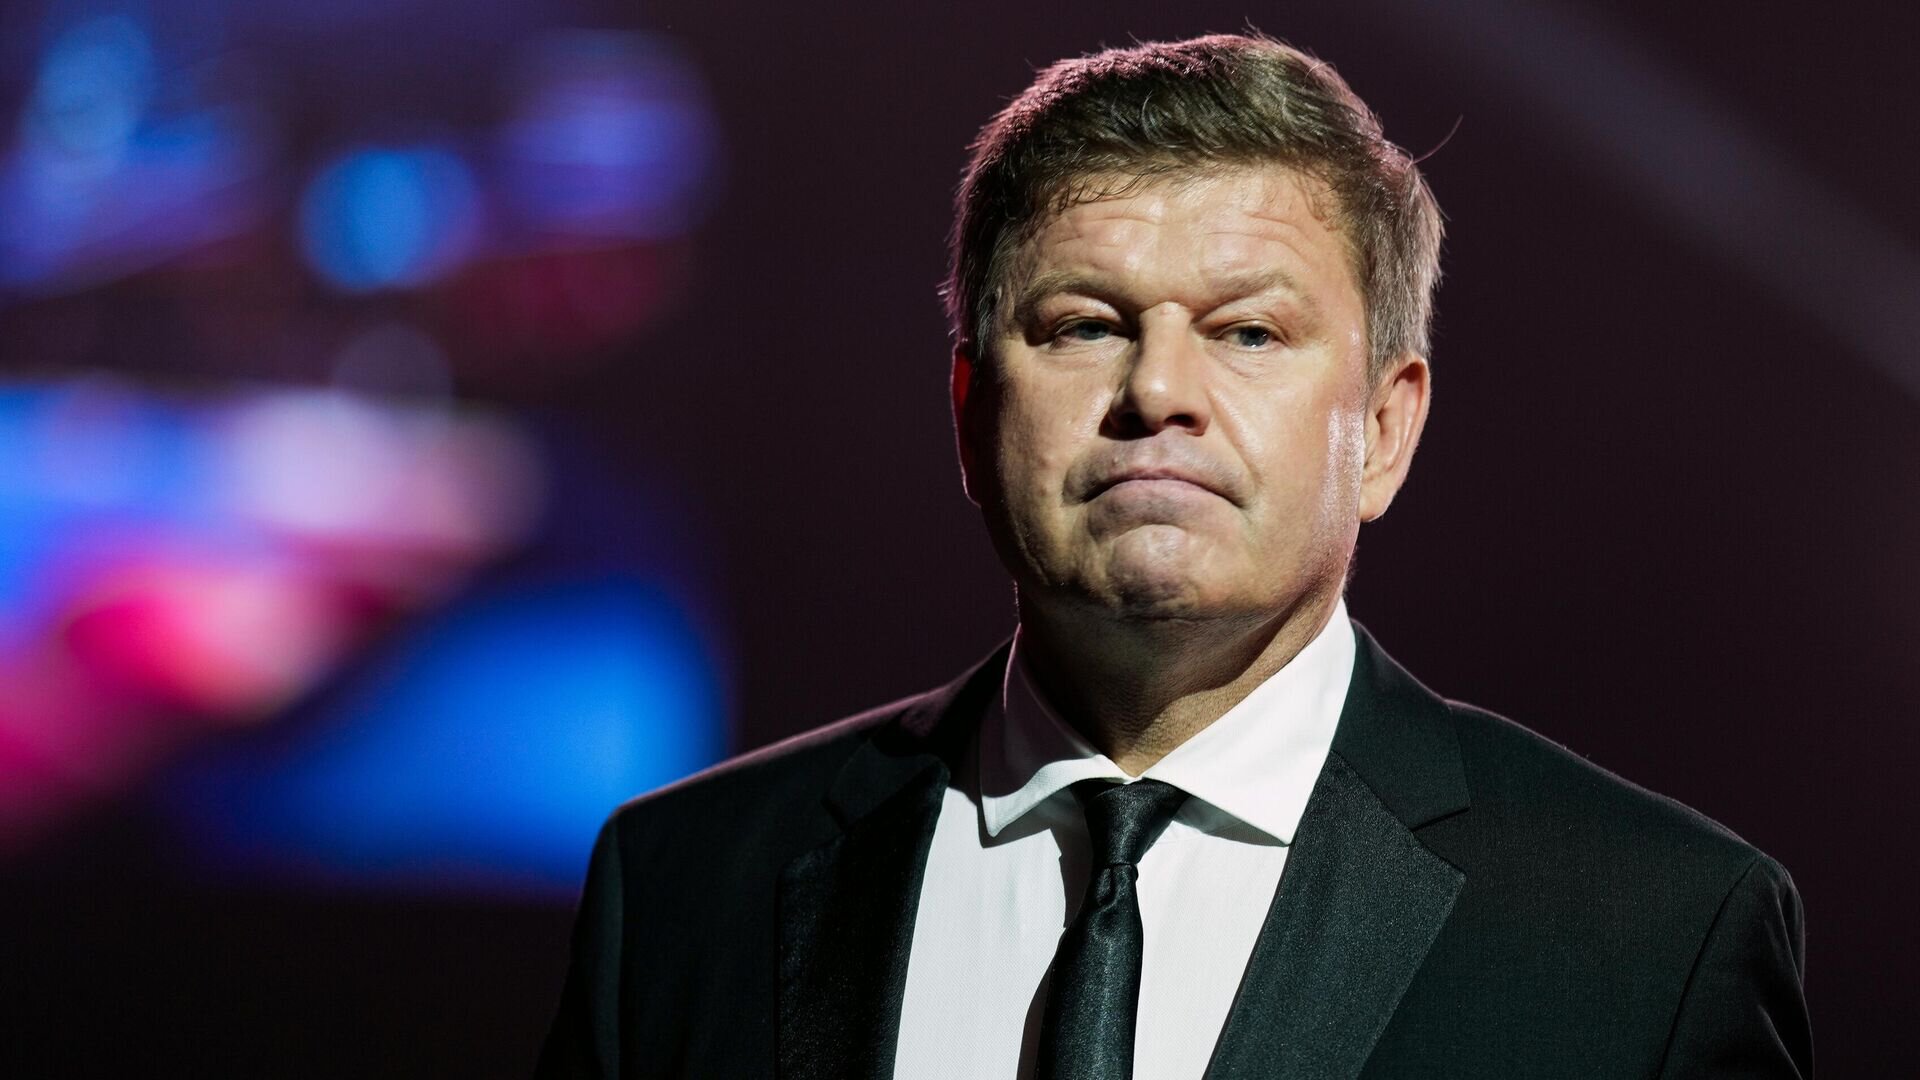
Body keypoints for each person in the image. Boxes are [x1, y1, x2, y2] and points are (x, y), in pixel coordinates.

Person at [536, 33, 1811, 1079]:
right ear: (970, 414)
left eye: (1248, 333)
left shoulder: (1652, 938)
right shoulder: (686, 889)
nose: (1157, 390)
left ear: (1384, 428)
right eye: (1084, 325)